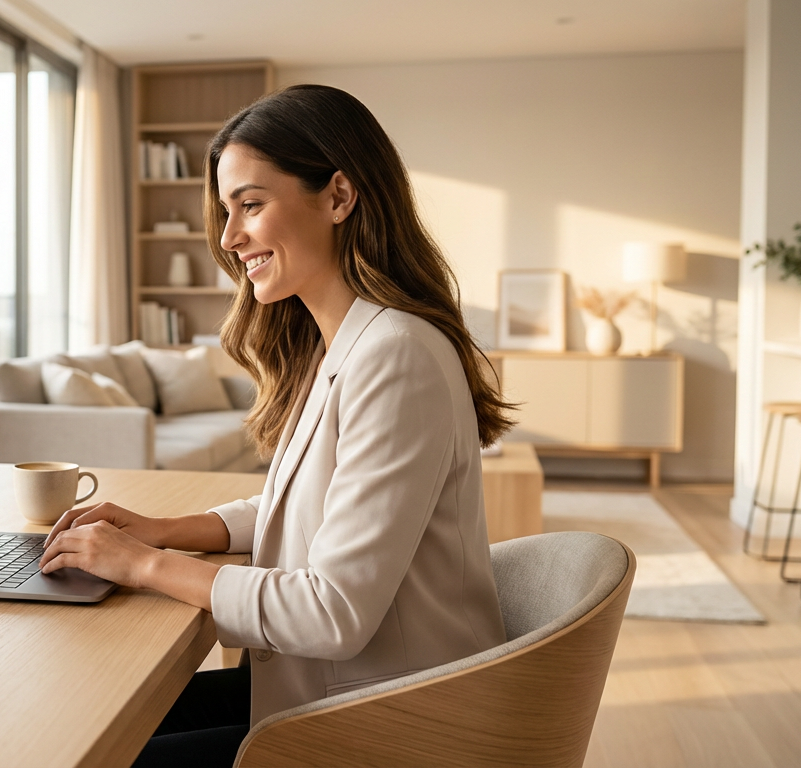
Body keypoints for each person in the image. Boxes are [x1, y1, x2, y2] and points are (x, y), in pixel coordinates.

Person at [37, 85, 512, 767]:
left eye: (250, 206)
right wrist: (168, 530)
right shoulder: (343, 343)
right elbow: (311, 504)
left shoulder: (394, 354)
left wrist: (143, 564)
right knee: (89, 727)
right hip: (337, 691)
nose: (229, 239)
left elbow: (332, 611)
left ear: (340, 197)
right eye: (227, 212)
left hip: (396, 724)